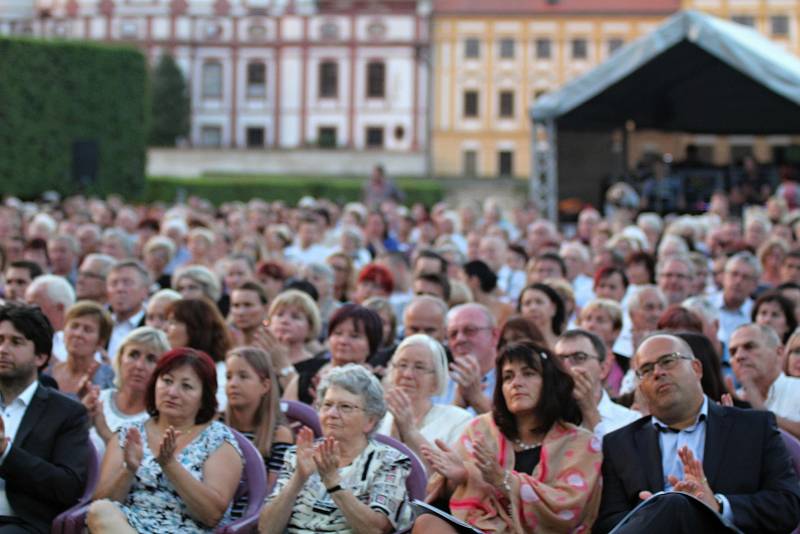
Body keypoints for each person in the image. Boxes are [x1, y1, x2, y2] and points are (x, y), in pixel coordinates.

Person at [595, 333, 800, 534]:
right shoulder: (619, 444)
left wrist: (719, 505)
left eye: (668, 361)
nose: (658, 372)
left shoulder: (753, 427)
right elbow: (607, 524)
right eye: (647, 369)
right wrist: (651, 513)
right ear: (640, 386)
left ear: (696, 368)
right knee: (671, 505)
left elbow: (788, 506)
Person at [416, 342, 602, 533]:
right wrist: (460, 478)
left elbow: (567, 510)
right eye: (508, 377)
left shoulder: (581, 443)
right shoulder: (480, 429)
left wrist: (503, 479)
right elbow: (445, 500)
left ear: (550, 381)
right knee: (427, 523)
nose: (516, 383)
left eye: (528, 373)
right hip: (479, 528)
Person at [87, 348, 244, 533]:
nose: (172, 392)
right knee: (100, 511)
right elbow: (101, 500)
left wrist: (170, 465)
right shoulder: (129, 434)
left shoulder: (218, 440)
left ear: (204, 398)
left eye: (186, 386)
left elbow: (212, 515)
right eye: (167, 381)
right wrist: (129, 470)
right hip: (127, 526)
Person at [259, 364, 413, 533]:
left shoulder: (389, 461)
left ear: (370, 421)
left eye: (345, 406)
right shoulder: (298, 455)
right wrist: (298, 478)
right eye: (327, 405)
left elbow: (377, 530)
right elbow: (266, 529)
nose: (331, 413)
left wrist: (333, 482)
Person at [0, 303, 90, 533]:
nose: (3, 349)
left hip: (19, 523)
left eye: (16, 342)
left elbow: (67, 487)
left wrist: (7, 454)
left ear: (40, 357)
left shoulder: (67, 413)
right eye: (0, 339)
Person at [377, 334, 472, 466]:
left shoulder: (458, 421)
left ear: (436, 379)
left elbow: (448, 479)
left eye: (419, 367)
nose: (407, 374)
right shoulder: (376, 420)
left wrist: (409, 431)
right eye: (402, 365)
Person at [82, 327, 170, 455]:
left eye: (151, 359)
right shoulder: (99, 398)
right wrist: (80, 418)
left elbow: (142, 469)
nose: (139, 366)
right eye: (133, 355)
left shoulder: (160, 418)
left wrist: (104, 431)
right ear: (120, 358)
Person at [284, 304, 383, 405]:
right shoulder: (305, 373)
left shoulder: (378, 384)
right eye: (338, 333)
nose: (343, 341)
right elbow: (286, 414)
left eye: (354, 336)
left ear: (371, 344)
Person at [223, 347, 293, 491]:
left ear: (265, 385)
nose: (233, 384)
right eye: (228, 377)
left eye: (243, 376)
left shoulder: (278, 434)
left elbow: (272, 493)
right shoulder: (216, 425)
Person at [554, 329, 640, 438]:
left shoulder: (630, 420)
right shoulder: (543, 418)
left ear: (603, 369)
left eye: (579, 357)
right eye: (559, 360)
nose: (567, 367)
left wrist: (589, 410)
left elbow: (615, 455)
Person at [729, 323, 800, 438]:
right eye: (733, 352)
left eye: (749, 347)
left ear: (779, 352)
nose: (739, 356)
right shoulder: (730, 401)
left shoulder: (797, 388)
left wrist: (760, 410)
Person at [165, 298, 232, 410]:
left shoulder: (220, 373)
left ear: (194, 328)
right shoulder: (167, 367)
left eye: (173, 322)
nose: (165, 329)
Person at [49, 301, 115, 395]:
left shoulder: (108, 378)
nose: (78, 334)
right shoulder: (48, 373)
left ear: (100, 342)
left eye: (87, 330)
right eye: (74, 326)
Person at [106, 261, 150, 359]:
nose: (120, 289)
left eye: (127, 283)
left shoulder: (151, 326)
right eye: (114, 283)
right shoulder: (101, 324)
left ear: (145, 291)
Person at [517, 283, 565, 349]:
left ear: (553, 308)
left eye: (539, 302)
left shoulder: (565, 345)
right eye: (527, 303)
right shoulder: (516, 346)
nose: (533, 308)